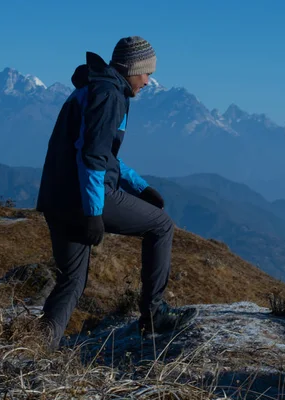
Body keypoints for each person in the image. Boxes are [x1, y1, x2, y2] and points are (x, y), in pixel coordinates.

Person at [36, 36, 197, 350]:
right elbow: (94, 158)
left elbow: (100, 152)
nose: (149, 81)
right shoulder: (110, 95)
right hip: (86, 196)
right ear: (131, 68)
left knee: (71, 282)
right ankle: (154, 316)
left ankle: (36, 348)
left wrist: (139, 186)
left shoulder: (91, 88)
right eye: (146, 73)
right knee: (161, 226)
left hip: (57, 198)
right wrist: (94, 213)